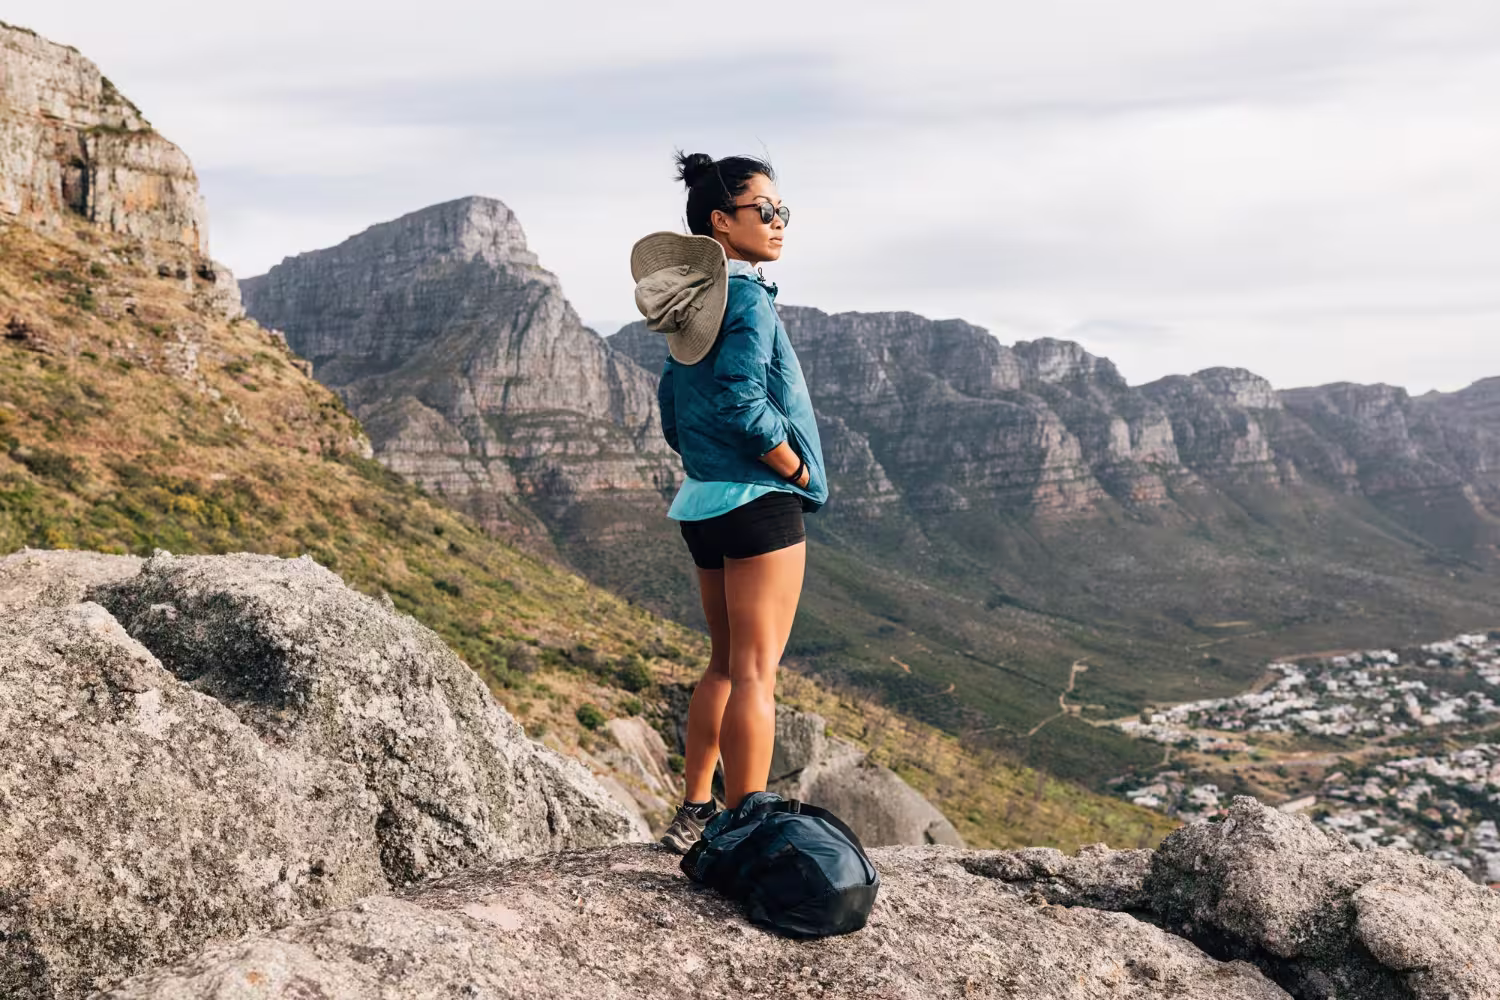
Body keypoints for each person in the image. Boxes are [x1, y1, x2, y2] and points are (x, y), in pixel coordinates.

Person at [630, 151, 828, 853]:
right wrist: (794, 465)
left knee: (721, 663)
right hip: (760, 502)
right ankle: (747, 821)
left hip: (703, 502)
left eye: (782, 212)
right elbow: (746, 401)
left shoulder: (691, 304)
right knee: (755, 671)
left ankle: (695, 810)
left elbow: (673, 412)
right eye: (765, 211)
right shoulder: (745, 298)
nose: (778, 223)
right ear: (722, 220)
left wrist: (708, 464)